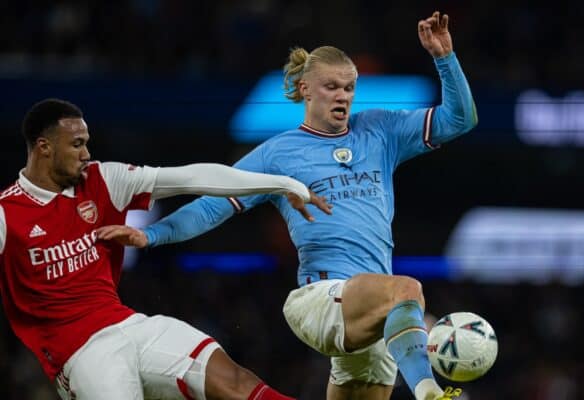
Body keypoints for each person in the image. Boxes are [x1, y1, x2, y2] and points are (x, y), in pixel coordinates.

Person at [99, 11, 476, 400]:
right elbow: (213, 208)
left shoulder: (380, 130)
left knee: (398, 299)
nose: (342, 96)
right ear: (305, 88)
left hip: (376, 317)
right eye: (331, 86)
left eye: (349, 87)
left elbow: (459, 119)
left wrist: (444, 58)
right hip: (320, 298)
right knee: (408, 289)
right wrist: (152, 234)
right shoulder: (278, 154)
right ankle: (429, 391)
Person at [0, 98, 333, 400]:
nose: (87, 154)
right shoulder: (7, 213)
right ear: (44, 148)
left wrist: (283, 184)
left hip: (130, 326)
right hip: (81, 355)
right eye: (76, 145)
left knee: (234, 381)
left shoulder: (103, 179)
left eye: (86, 144)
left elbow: (191, 177)